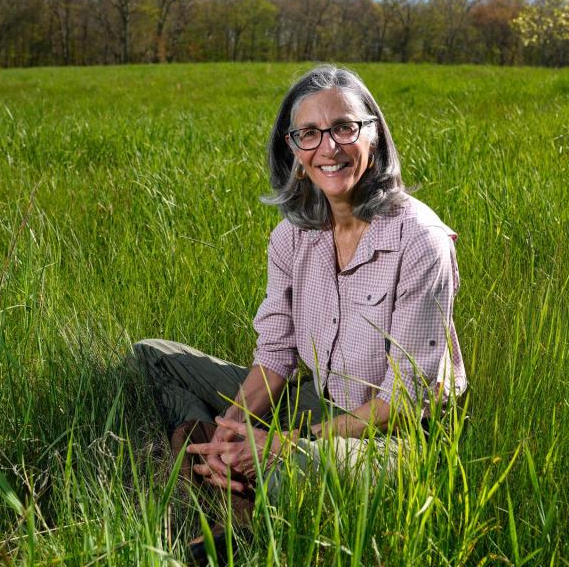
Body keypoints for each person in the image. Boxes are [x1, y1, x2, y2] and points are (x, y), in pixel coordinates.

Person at [133, 64, 466, 563]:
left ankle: (224, 488)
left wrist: (285, 443)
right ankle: (220, 456)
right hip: (316, 402)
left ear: (373, 135)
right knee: (154, 356)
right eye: (309, 133)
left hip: (393, 437)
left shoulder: (420, 241)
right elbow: (276, 356)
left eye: (344, 128)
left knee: (302, 467)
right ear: (292, 149)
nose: (328, 148)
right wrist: (233, 423)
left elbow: (408, 400)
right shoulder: (293, 236)